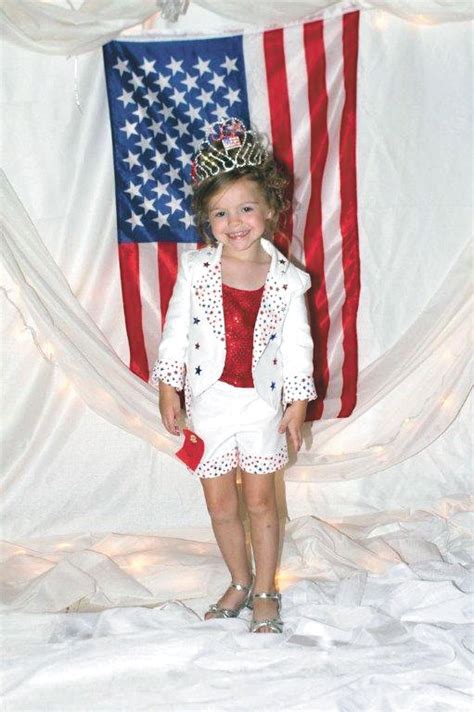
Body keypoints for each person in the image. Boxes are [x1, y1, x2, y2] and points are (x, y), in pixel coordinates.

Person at [152, 117, 316, 633]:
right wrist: (167, 386)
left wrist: (297, 404)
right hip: (211, 402)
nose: (236, 221)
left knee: (262, 501)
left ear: (269, 208)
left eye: (247, 208)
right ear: (207, 219)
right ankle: (239, 580)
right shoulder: (197, 269)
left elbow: (297, 346)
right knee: (222, 504)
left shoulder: (288, 281)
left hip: (261, 405)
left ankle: (267, 587)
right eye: (221, 212)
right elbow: (176, 331)